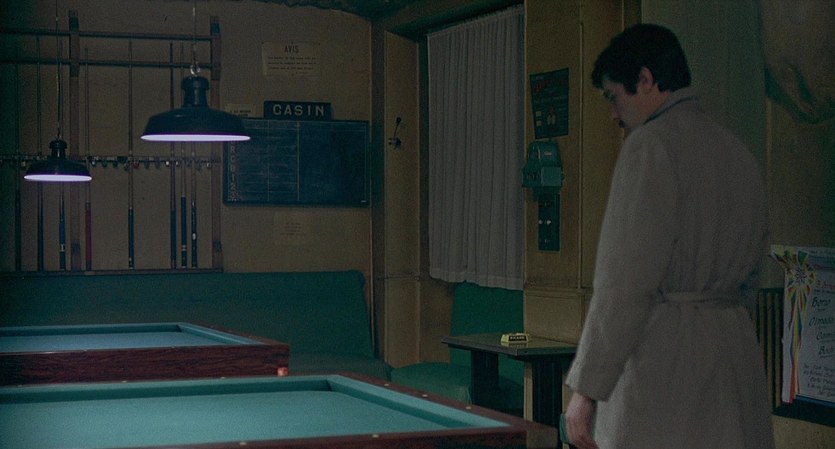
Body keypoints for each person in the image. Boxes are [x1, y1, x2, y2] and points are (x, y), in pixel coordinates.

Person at [563, 24, 775, 449]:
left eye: (613, 97)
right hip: (734, 355)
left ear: (645, 80)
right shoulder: (737, 151)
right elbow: (753, 274)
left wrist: (586, 391)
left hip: (666, 363)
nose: (614, 114)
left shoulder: (650, 146)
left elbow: (624, 283)